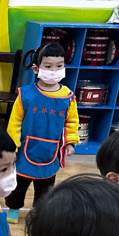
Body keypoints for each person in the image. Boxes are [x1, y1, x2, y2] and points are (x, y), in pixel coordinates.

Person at [5, 42, 79, 224]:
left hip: (51, 150)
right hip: (25, 148)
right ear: (36, 69)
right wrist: (12, 145)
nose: (54, 71)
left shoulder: (68, 97)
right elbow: (15, 121)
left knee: (45, 186)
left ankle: (40, 212)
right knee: (19, 183)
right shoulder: (26, 94)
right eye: (48, 66)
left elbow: (71, 122)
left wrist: (70, 142)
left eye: (59, 66)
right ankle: (14, 208)